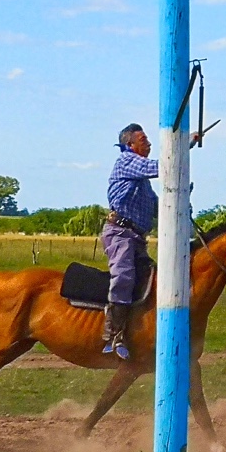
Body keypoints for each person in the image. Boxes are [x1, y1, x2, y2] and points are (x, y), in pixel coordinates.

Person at [102, 124, 159, 352]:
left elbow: (157, 206)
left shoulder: (143, 182)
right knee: (124, 276)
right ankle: (112, 335)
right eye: (143, 139)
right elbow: (160, 166)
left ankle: (137, 331)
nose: (149, 143)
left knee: (149, 280)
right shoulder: (127, 161)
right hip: (120, 234)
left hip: (136, 238)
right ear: (130, 144)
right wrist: (185, 146)